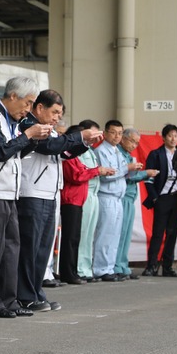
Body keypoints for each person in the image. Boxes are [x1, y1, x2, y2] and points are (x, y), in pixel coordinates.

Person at [0, 76, 52, 318]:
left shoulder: (10, 120)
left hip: (8, 193)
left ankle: (9, 299)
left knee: (10, 249)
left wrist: (34, 140)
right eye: (27, 103)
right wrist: (28, 135)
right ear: (13, 96)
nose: (28, 110)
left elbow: (14, 152)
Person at [16, 90, 100, 312]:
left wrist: (85, 143)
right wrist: (79, 136)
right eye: (53, 112)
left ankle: (36, 292)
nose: (56, 118)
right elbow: (50, 147)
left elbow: (64, 152)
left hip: (48, 193)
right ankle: (25, 295)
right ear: (40, 108)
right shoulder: (29, 126)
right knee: (29, 248)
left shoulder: (50, 131)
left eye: (59, 114)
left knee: (42, 248)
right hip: (30, 192)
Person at [60, 125, 115, 285]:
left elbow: (83, 170)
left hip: (78, 199)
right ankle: (67, 272)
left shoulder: (75, 155)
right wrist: (96, 171)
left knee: (76, 237)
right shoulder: (68, 156)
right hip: (70, 199)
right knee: (70, 238)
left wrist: (93, 171)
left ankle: (73, 271)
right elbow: (77, 175)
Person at [92, 120, 141, 282]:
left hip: (118, 197)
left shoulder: (117, 152)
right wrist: (128, 168)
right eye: (113, 132)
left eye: (120, 133)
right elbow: (107, 175)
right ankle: (100, 268)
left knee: (115, 235)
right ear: (105, 133)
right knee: (105, 235)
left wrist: (131, 170)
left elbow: (122, 172)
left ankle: (110, 267)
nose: (116, 136)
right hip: (106, 196)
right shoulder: (101, 150)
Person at [114, 128, 158, 280]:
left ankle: (123, 264)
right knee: (120, 234)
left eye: (137, 143)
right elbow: (127, 175)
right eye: (132, 141)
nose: (134, 145)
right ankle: (116, 265)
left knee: (126, 234)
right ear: (123, 139)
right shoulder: (118, 153)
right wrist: (146, 173)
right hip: (123, 196)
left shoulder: (128, 155)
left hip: (130, 197)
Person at [141, 124, 177, 277]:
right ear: (164, 137)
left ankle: (167, 266)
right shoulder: (156, 154)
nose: (173, 138)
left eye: (176, 135)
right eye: (170, 135)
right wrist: (155, 198)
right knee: (158, 233)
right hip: (162, 198)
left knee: (172, 234)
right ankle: (152, 265)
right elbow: (148, 178)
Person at [76, 119, 103, 282]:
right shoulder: (78, 150)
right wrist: (97, 171)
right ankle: (79, 267)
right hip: (84, 192)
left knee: (89, 235)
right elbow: (81, 172)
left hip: (94, 193)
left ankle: (86, 268)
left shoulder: (90, 150)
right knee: (82, 232)